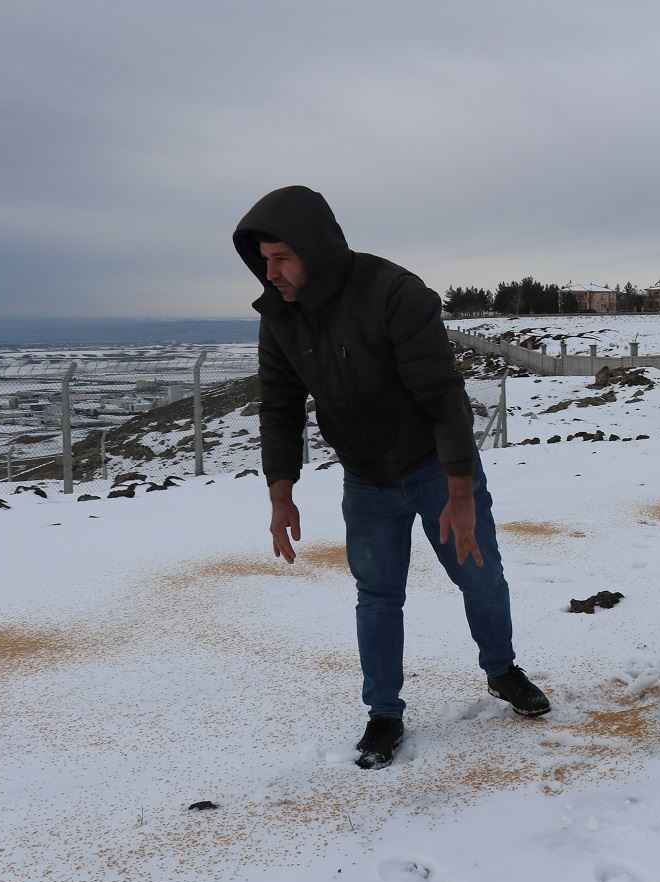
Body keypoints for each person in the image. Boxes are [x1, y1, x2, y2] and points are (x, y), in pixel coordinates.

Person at [233, 185, 549, 770]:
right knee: (377, 595)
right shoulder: (279, 316)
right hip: (366, 477)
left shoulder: (394, 294)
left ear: (314, 250)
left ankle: (502, 672)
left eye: (281, 258)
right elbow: (279, 406)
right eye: (263, 260)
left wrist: (459, 495)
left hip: (436, 468)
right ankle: (384, 712)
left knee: (481, 577)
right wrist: (281, 493)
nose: (268, 272)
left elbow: (443, 397)